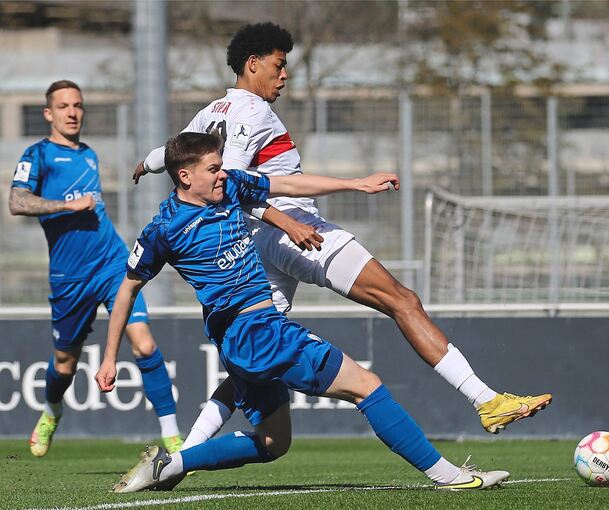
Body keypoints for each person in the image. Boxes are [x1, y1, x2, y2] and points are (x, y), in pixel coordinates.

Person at [135, 22, 552, 442]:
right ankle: (486, 401)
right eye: (278, 66)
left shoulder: (209, 114)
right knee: (401, 300)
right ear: (252, 64)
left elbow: (166, 153)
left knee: (257, 357)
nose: (284, 75)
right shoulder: (253, 110)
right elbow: (230, 182)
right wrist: (292, 218)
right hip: (295, 232)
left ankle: (184, 454)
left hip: (258, 246)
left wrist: (145, 165)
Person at [95, 132, 509, 492]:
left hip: (241, 340)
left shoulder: (230, 186)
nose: (223, 173)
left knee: (274, 444)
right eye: (214, 168)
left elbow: (283, 187)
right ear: (185, 176)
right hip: (257, 333)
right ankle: (450, 476)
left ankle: (174, 463)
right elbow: (128, 287)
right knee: (366, 384)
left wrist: (346, 189)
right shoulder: (163, 230)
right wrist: (111, 356)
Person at [8, 80, 183, 457]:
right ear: (48, 114)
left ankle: (173, 437)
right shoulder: (37, 154)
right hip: (69, 277)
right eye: (64, 106)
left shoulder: (89, 154)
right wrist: (64, 206)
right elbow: (17, 202)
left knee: (145, 342)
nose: (73, 112)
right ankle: (53, 409)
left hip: (111, 264)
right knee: (65, 364)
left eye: (78, 105)